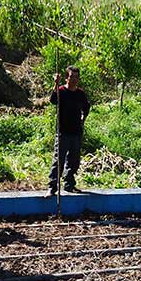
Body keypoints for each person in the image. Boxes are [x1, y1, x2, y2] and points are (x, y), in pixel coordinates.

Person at [47, 65, 90, 196]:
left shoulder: (80, 94)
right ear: (67, 78)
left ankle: (69, 185)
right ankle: (52, 187)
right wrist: (55, 83)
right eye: (72, 77)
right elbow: (53, 100)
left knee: (73, 161)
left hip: (76, 132)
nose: (74, 80)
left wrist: (83, 118)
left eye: (76, 77)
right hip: (63, 132)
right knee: (58, 160)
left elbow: (86, 107)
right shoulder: (61, 91)